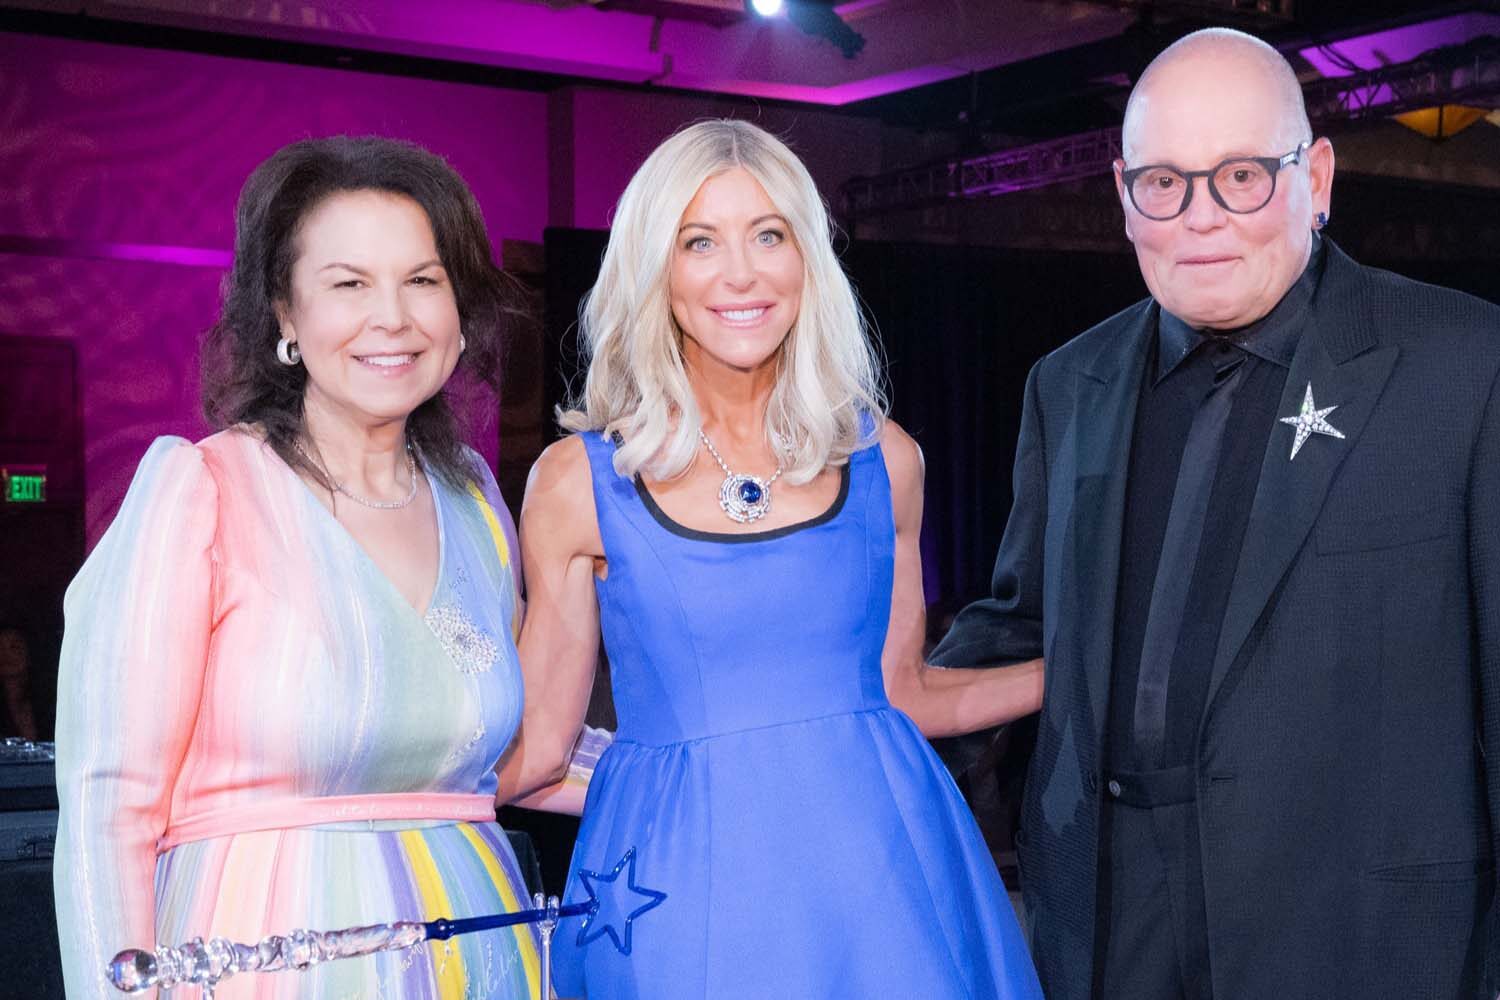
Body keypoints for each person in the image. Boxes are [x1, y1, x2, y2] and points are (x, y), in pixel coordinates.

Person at [929, 27, 1500, 1000]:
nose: (1201, 218)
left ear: (1316, 178)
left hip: (1364, 943)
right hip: (1108, 931)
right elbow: (1026, 632)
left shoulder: (1466, 365)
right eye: (1165, 181)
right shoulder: (1067, 385)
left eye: (1241, 176)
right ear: (1123, 193)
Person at [496, 118, 1045, 998]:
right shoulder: (579, 483)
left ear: (807, 260)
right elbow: (538, 748)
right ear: (653, 269)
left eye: (768, 235)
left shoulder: (887, 460)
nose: (741, 273)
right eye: (699, 242)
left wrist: (1072, 672)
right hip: (681, 891)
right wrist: (365, 801)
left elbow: (904, 693)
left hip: (883, 885)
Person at [54, 136, 548, 999]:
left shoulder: (475, 503)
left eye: (422, 280)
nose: (392, 317)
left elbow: (515, 753)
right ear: (285, 313)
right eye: (348, 284)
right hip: (262, 963)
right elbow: (109, 804)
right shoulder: (203, 490)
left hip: (479, 956)